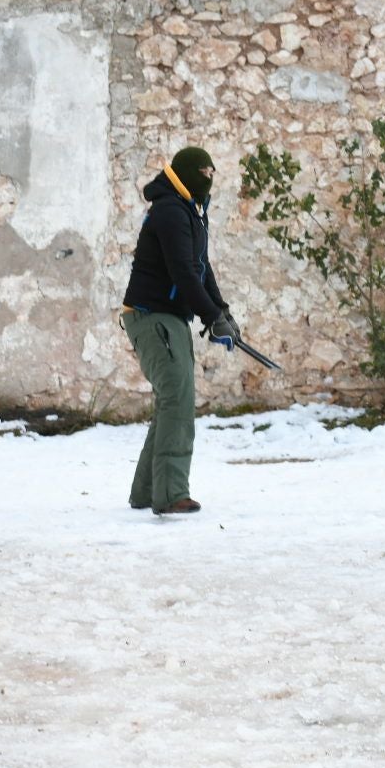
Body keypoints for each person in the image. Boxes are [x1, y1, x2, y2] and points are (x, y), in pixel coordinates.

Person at [120, 146, 241, 515]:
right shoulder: (171, 211)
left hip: (168, 318)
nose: (209, 181)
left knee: (171, 400)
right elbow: (182, 274)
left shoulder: (189, 211)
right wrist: (209, 316)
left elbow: (201, 266)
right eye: (205, 173)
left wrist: (221, 311)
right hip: (152, 315)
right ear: (188, 173)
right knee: (178, 401)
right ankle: (171, 494)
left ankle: (147, 492)